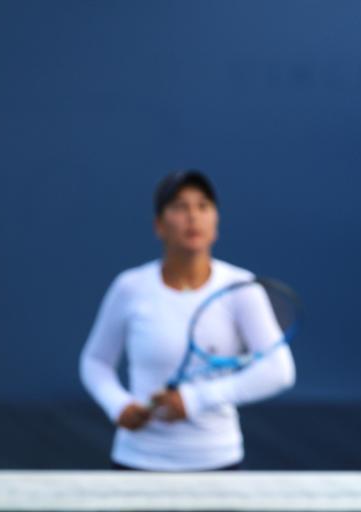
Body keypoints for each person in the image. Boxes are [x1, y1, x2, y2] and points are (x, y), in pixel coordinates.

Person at [80, 170, 296, 471]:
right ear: (159, 225)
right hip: (137, 463)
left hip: (218, 464)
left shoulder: (241, 288)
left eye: (203, 206)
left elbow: (279, 370)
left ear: (215, 224)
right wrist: (118, 404)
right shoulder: (129, 287)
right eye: (180, 207)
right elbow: (95, 361)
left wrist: (195, 399)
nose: (193, 216)